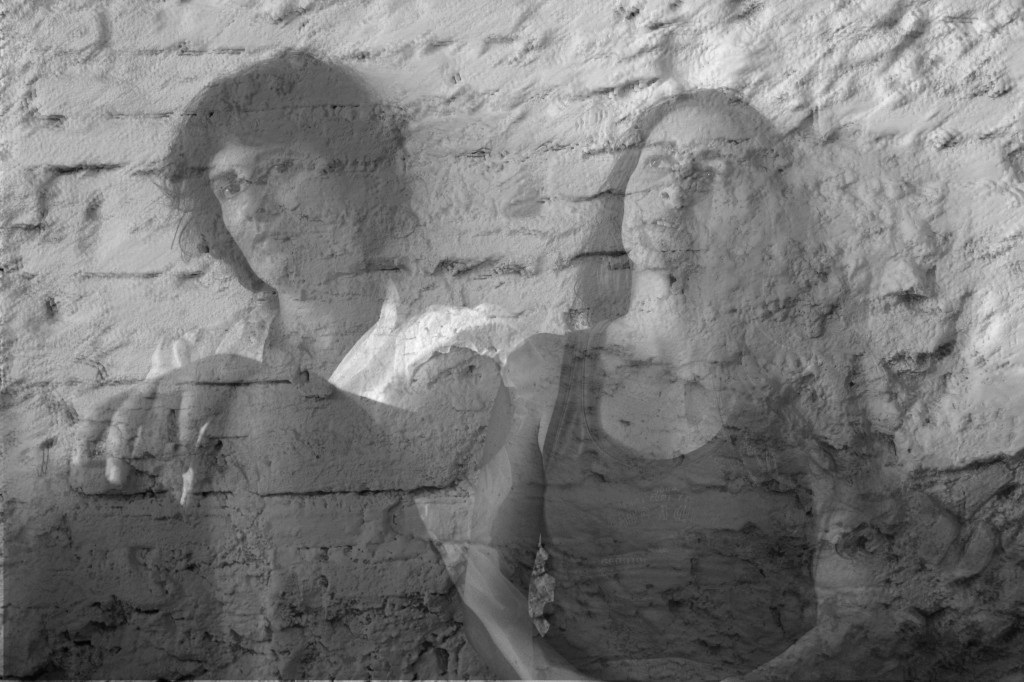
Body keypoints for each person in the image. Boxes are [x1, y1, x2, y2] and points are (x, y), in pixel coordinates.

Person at [62, 50, 506, 679]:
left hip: (394, 657)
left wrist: (256, 385)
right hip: (234, 654)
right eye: (230, 187)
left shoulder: (447, 341)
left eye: (279, 169)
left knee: (275, 415)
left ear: (355, 177)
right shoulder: (189, 363)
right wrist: (106, 474)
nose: (254, 207)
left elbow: (436, 450)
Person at [458, 90, 894, 680]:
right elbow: (487, 595)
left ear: (759, 210)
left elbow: (859, 615)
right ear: (624, 192)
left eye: (710, 172)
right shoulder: (544, 375)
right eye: (660, 162)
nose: (676, 189)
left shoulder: (806, 393)